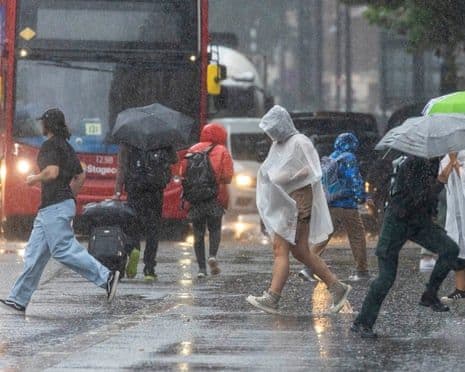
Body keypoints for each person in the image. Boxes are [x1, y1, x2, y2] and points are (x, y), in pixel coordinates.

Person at [0, 108, 119, 314]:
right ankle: (18, 299)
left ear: (48, 125)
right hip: (54, 207)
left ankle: (106, 277)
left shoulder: (49, 146)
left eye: (43, 123)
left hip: (54, 207)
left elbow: (51, 172)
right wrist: (69, 196)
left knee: (63, 249)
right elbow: (80, 176)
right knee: (35, 254)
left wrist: (33, 179)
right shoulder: (66, 147)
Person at [246, 105, 351, 314]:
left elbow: (312, 169)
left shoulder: (300, 142)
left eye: (274, 128)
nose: (271, 134)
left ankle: (272, 297)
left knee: (280, 249)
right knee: (301, 251)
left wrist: (288, 176)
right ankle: (337, 287)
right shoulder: (278, 145)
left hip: (296, 202)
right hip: (286, 201)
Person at [352, 155, 459, 338]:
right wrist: (440, 180)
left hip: (419, 222)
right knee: (386, 278)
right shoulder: (414, 162)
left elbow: (427, 200)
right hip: (397, 221)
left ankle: (430, 295)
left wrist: (445, 170)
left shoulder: (432, 161)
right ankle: (362, 322)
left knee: (450, 249)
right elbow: (420, 196)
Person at [299, 133, 369, 282]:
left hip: (331, 203)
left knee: (324, 237)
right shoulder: (349, 157)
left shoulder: (331, 157)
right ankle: (361, 271)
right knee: (357, 237)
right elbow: (354, 178)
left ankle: (308, 268)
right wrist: (361, 196)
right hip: (348, 204)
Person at [114, 143, 177, 281]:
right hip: (155, 191)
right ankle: (149, 269)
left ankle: (133, 249)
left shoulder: (128, 140)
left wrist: (118, 191)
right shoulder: (162, 138)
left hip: (135, 189)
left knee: (133, 224)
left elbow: (122, 167)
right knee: (153, 229)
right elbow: (174, 160)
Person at [180, 123, 234, 278]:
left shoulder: (192, 149)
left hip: (195, 198)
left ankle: (201, 270)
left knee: (198, 233)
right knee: (215, 229)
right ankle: (212, 256)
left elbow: (183, 173)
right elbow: (228, 177)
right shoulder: (222, 151)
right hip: (214, 196)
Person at [438, 152, 465, 301]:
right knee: (457, 248)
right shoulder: (448, 157)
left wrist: (458, 166)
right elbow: (442, 177)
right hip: (456, 211)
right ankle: (460, 289)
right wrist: (452, 161)